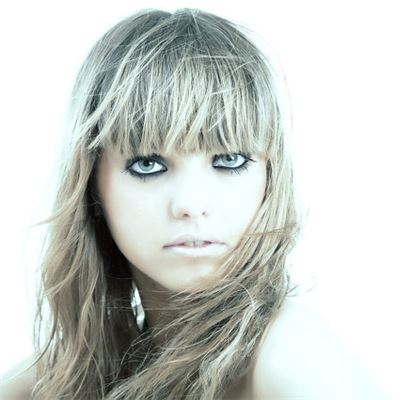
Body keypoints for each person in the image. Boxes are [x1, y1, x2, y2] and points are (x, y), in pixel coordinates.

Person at [0, 8, 385, 400]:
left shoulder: (294, 362)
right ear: (91, 186)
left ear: (270, 176)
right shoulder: (72, 372)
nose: (192, 204)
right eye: (148, 165)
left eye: (229, 160)